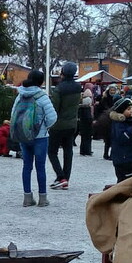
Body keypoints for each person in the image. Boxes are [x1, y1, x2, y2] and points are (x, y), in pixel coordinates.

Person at [12, 70, 58, 207]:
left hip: (24, 136)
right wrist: (44, 127)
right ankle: (42, 198)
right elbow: (52, 117)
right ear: (41, 82)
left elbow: (13, 114)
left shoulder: (20, 95)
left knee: (26, 166)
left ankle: (27, 198)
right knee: (40, 167)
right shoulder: (42, 97)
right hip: (40, 138)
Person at [48, 61, 81, 190]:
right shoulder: (78, 88)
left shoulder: (59, 89)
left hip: (58, 124)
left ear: (62, 73)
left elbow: (54, 107)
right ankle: (66, 178)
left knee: (52, 152)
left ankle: (61, 177)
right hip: (72, 124)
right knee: (68, 151)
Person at [109, 97, 132, 182]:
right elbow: (123, 137)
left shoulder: (130, 121)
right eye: (128, 109)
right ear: (121, 110)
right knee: (124, 181)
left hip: (130, 157)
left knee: (130, 179)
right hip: (123, 158)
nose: (131, 111)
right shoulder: (119, 123)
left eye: (131, 109)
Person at [94, 84, 119, 159]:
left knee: (112, 138)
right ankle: (106, 154)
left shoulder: (117, 99)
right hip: (106, 120)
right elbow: (98, 109)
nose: (112, 91)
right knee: (108, 138)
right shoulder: (104, 99)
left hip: (113, 120)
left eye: (114, 90)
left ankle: (111, 154)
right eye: (111, 90)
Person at [78, 89, 94, 156]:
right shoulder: (87, 109)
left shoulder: (81, 108)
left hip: (83, 124)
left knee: (83, 138)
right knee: (88, 138)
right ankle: (87, 150)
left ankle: (83, 150)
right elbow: (89, 118)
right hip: (87, 125)